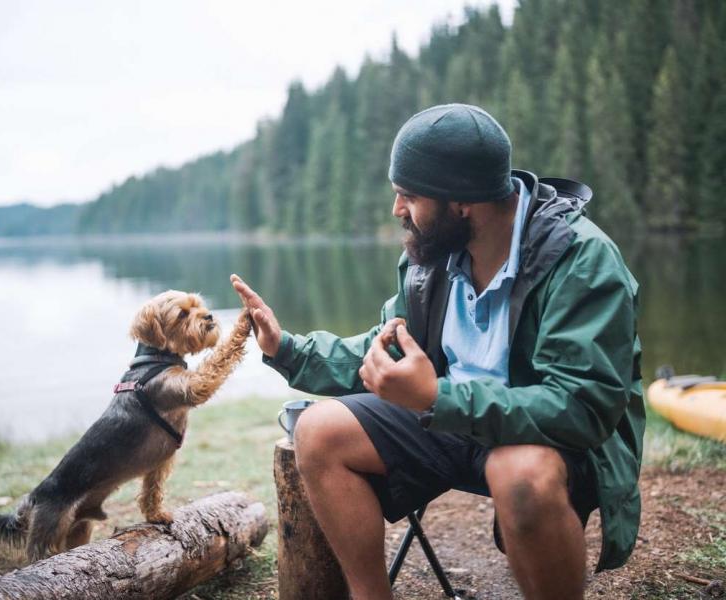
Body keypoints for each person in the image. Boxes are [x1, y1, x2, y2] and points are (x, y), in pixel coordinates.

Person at [231, 103, 644, 600]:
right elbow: (382, 345)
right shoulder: (432, 258)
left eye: (408, 195)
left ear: (462, 202)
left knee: (518, 474)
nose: (397, 210)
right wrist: (289, 350)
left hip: (547, 438)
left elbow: (582, 407)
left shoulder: (580, 259)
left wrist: (435, 398)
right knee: (319, 431)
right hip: (449, 420)